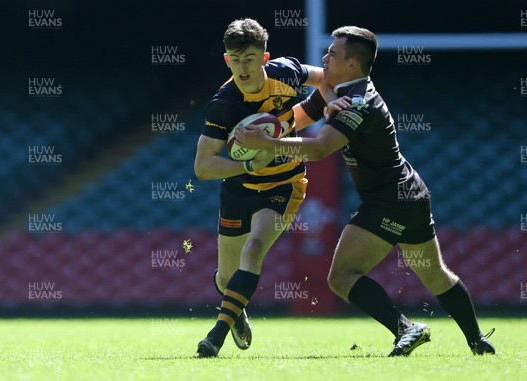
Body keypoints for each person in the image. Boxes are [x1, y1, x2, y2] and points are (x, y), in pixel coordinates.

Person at [235, 26, 496, 356]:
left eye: (332, 53)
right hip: (409, 195)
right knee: (435, 276)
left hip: (389, 199)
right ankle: (478, 343)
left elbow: (318, 150)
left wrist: (267, 144)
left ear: (352, 64)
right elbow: (297, 119)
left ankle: (406, 328)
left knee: (341, 277)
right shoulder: (343, 91)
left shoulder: (359, 103)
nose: (324, 57)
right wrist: (259, 127)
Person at [193, 18, 325, 358]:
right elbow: (203, 166)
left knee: (253, 250)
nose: (243, 67)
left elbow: (329, 80)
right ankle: (236, 308)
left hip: (285, 184)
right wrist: (250, 164)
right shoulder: (225, 103)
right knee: (226, 279)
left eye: (250, 59)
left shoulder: (286, 73)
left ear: (265, 58)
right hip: (239, 188)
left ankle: (215, 337)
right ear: (226, 60)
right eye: (235, 60)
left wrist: (297, 122)